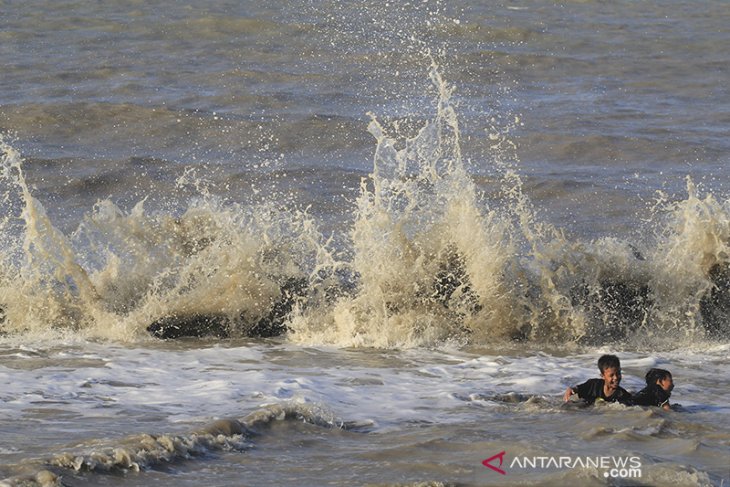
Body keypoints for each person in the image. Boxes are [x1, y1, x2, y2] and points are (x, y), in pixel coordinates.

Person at [563, 354, 632, 406]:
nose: (616, 378)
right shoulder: (593, 385)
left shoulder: (622, 395)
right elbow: (576, 389)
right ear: (602, 376)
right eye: (611, 375)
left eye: (618, 373)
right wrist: (570, 390)